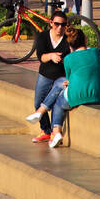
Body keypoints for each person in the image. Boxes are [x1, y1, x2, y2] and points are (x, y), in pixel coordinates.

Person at [27, 24, 100, 148]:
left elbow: (68, 79)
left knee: (58, 101)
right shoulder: (96, 52)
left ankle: (54, 129)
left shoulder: (69, 58)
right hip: (99, 94)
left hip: (80, 95)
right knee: (60, 82)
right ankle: (41, 112)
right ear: (85, 40)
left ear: (70, 45)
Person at [29, 10, 72, 142]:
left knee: (55, 102)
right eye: (57, 24)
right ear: (51, 23)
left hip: (62, 76)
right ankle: (46, 130)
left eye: (63, 25)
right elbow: (41, 57)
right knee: (38, 101)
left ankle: (53, 132)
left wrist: (65, 60)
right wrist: (51, 56)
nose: (59, 27)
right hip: (46, 74)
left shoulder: (68, 39)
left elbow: (73, 58)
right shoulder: (42, 37)